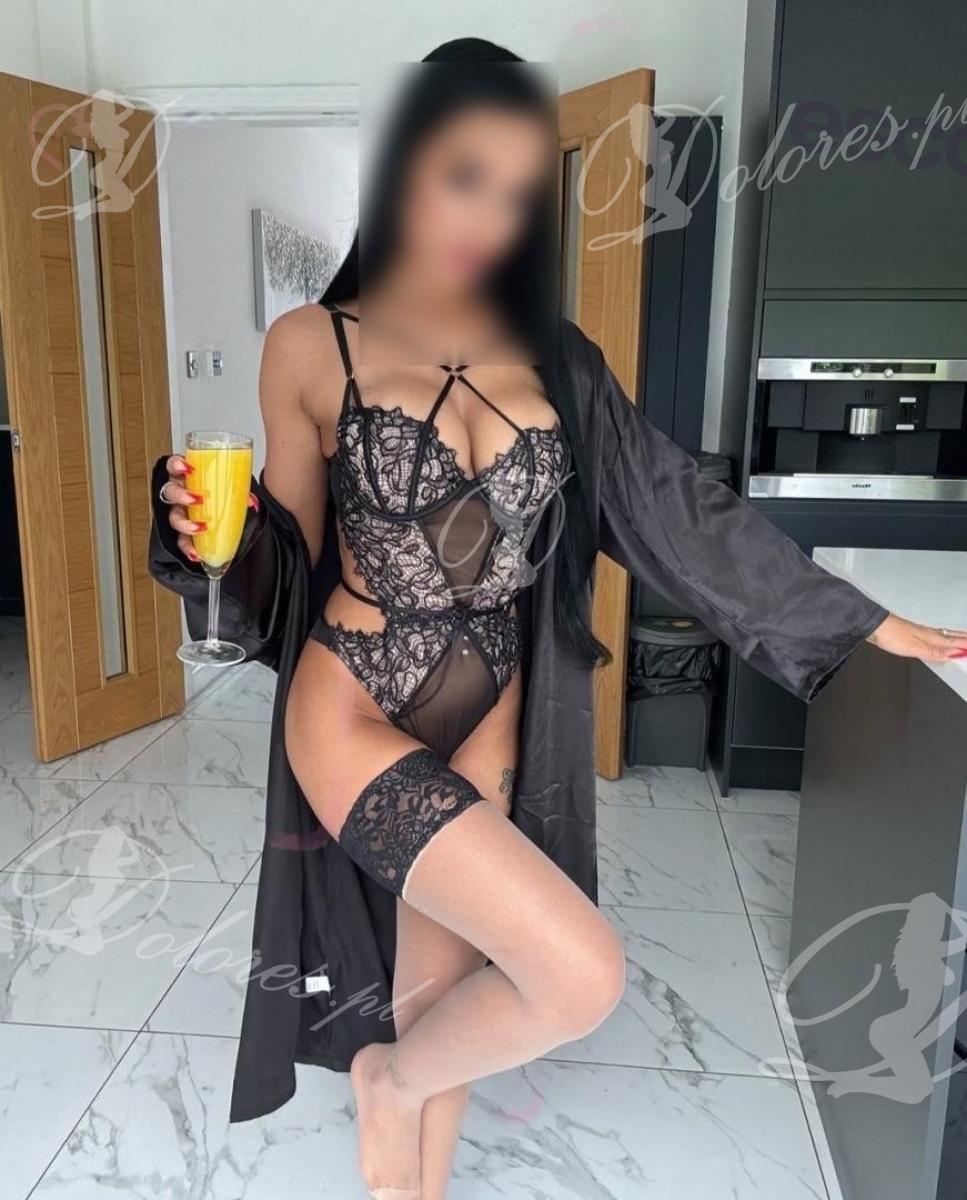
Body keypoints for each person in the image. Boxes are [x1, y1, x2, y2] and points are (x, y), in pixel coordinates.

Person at [150, 37, 967, 1200]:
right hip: (353, 701)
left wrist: (857, 618)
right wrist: (207, 538)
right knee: (579, 974)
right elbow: (277, 557)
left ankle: (407, 1165)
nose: (490, 217)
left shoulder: (559, 361)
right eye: (464, 176)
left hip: (492, 712)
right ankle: (384, 1084)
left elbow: (674, 509)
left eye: (518, 193)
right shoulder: (310, 345)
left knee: (442, 997)